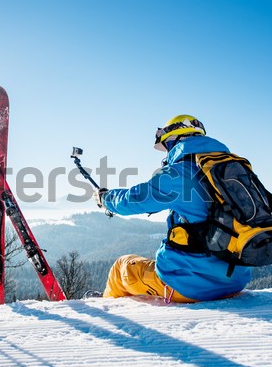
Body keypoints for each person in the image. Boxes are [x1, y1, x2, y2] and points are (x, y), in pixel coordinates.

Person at [94, 115, 251, 303]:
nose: (166, 152)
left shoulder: (178, 172)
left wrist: (106, 198)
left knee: (121, 267)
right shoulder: (237, 170)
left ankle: (109, 306)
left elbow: (133, 200)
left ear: (175, 139)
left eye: (167, 145)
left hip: (191, 285)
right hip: (235, 280)